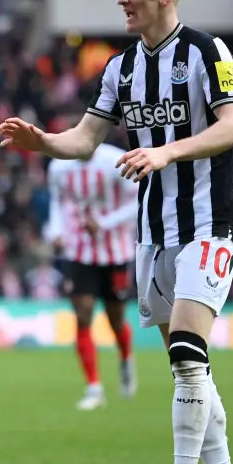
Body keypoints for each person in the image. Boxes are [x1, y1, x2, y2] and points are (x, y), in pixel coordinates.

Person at [0, 0, 233, 464]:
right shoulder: (120, 68)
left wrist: (165, 150)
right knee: (192, 370)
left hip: (209, 224)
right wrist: (42, 142)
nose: (121, 0)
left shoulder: (208, 52)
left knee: (188, 359)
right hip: (153, 233)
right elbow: (86, 140)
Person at [44, 140, 139, 410]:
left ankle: (125, 356)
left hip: (116, 253)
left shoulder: (117, 161)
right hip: (78, 252)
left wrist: (104, 223)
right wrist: (56, 231)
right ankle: (94, 388)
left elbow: (136, 203)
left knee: (115, 319)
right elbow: (57, 203)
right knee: (83, 313)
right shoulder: (59, 166)